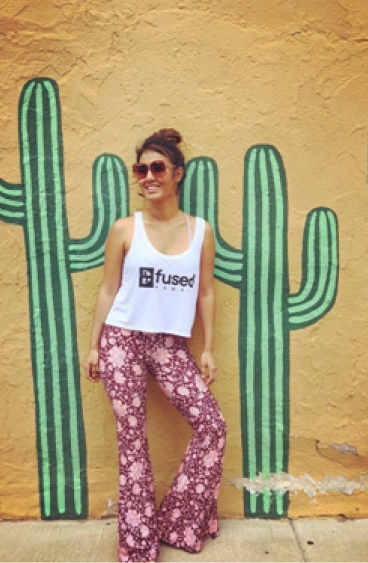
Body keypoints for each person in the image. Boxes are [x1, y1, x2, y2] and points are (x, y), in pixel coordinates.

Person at [85, 128, 227, 563]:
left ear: (177, 174)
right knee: (132, 442)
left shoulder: (200, 231)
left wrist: (208, 348)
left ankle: (179, 522)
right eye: (140, 169)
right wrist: (94, 346)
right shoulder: (125, 228)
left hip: (170, 345)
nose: (148, 176)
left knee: (212, 425)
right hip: (122, 340)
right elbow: (108, 289)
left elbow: (206, 291)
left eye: (157, 168)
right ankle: (138, 545)